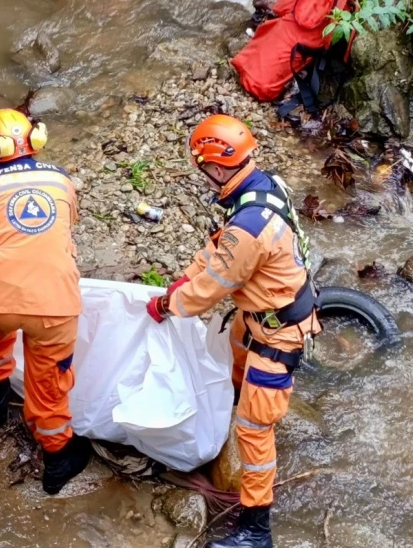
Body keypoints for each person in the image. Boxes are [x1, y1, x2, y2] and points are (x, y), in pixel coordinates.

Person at [146, 115, 320, 548]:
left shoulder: (249, 228)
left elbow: (209, 291)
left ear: (218, 167)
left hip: (278, 335)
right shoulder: (258, 188)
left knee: (255, 434)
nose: (202, 175)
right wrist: (182, 279)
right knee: (235, 360)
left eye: (203, 167)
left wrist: (169, 303)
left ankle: (256, 530)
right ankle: (234, 411)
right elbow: (215, 250)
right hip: (260, 314)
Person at [0, 108, 90, 495]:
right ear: (35, 141)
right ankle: (57, 467)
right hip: (55, 306)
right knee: (49, 386)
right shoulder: (61, 180)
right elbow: (66, 230)